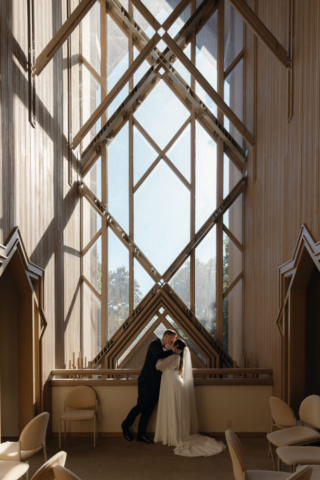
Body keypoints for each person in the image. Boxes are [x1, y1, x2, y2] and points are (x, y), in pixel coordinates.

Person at [154, 338, 226, 457]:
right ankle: (175, 434)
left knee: (172, 408)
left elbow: (158, 366)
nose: (170, 345)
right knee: (174, 409)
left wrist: (162, 355)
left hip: (172, 385)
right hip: (173, 383)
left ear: (177, 347)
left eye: (173, 344)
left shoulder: (173, 357)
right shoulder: (177, 357)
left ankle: (173, 435)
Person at [121, 329, 178, 443]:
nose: (172, 342)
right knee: (141, 405)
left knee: (149, 409)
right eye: (171, 339)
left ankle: (141, 434)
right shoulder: (154, 344)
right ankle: (125, 425)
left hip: (157, 383)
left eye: (174, 341)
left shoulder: (166, 348)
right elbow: (158, 355)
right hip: (145, 381)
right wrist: (174, 351)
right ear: (166, 336)